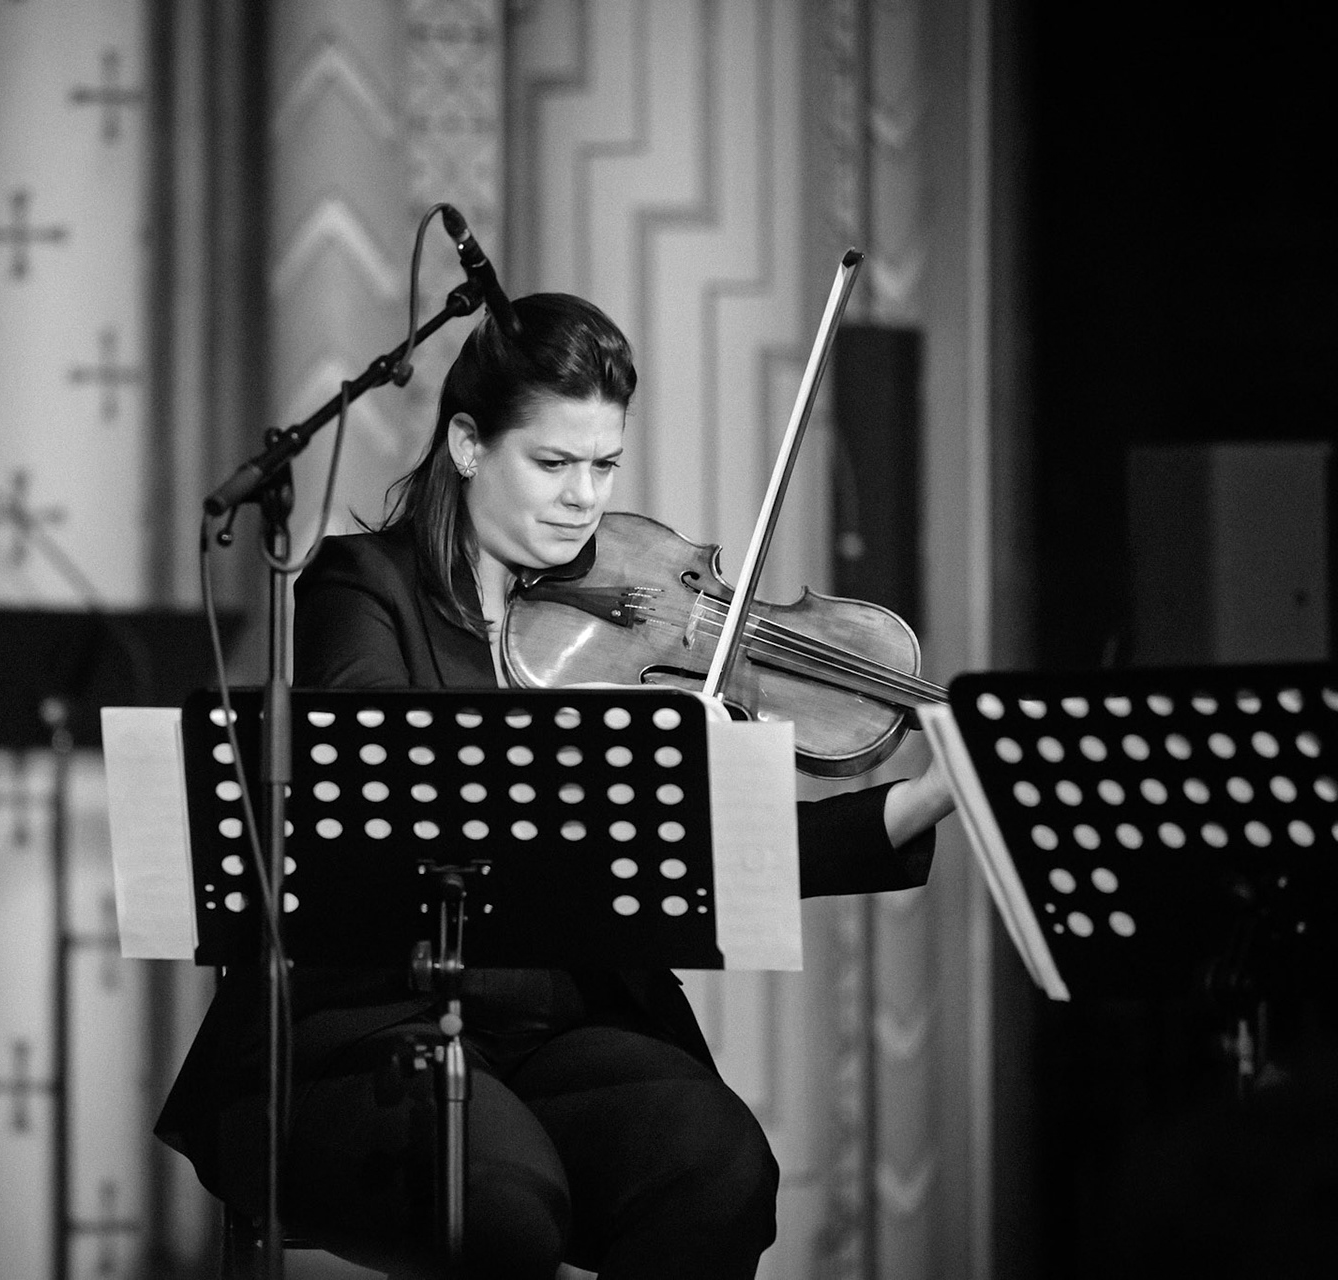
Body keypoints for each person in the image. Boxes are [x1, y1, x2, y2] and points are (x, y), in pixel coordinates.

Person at [158, 293, 956, 1278]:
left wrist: (917, 797)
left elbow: (709, 853)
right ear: (465, 442)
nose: (586, 497)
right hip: (370, 1028)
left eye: (604, 464)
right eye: (553, 462)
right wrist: (608, 748)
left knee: (716, 1165)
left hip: (556, 1027)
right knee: (504, 1203)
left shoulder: (612, 632)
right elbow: (392, 778)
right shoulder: (365, 586)